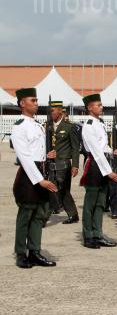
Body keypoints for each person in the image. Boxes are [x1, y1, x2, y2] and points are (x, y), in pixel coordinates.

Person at [10, 87, 58, 268]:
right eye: (33, 100)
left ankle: (35, 251)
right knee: (26, 215)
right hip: (29, 176)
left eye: (37, 100)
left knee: (39, 215)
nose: (37, 103)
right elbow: (25, 157)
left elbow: (38, 150)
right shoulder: (19, 126)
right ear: (22, 103)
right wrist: (40, 180)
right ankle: (21, 253)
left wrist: (48, 155)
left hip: (42, 170)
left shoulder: (37, 124)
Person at [79, 94, 117, 249]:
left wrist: (112, 151)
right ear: (90, 107)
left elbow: (103, 147)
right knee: (90, 203)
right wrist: (109, 172)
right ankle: (88, 236)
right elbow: (96, 151)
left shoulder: (100, 123)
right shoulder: (89, 125)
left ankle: (98, 233)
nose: (101, 107)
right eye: (98, 105)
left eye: (101, 104)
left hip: (103, 163)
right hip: (94, 166)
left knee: (100, 203)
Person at [47, 100, 80, 224]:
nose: (51, 113)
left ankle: (43, 217)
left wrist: (75, 165)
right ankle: (73, 215)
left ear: (60, 111)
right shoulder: (48, 126)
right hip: (51, 163)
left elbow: (75, 148)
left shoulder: (69, 127)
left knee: (54, 189)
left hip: (63, 163)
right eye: (49, 111)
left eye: (53, 111)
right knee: (61, 190)